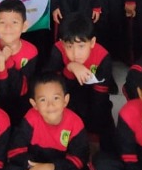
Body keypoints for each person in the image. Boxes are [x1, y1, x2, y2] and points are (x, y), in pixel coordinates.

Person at [5, 71, 98, 170]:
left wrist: (51, 169)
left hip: (59, 168)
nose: (50, 105)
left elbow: (78, 158)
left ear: (65, 100)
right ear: (34, 104)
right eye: (43, 100)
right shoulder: (30, 118)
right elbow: (16, 151)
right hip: (34, 168)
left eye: (56, 98)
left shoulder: (75, 122)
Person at [45, 14, 117, 151]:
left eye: (81, 46)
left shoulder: (103, 57)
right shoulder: (58, 50)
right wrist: (70, 67)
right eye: (69, 46)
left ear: (92, 42)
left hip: (93, 96)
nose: (75, 53)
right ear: (62, 43)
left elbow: (100, 98)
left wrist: (94, 132)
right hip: (67, 95)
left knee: (104, 119)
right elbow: (50, 84)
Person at [0, 0, 38, 126]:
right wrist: (0, 63)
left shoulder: (31, 51)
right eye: (2, 22)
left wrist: (6, 61)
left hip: (21, 109)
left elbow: (21, 89)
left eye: (14, 22)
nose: (8, 27)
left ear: (24, 26)